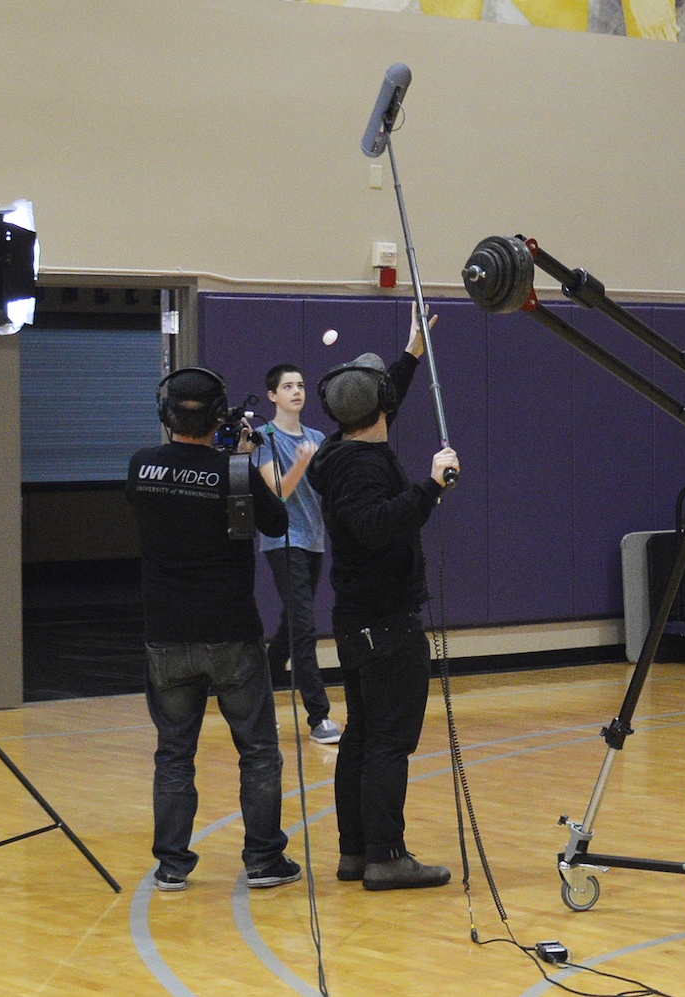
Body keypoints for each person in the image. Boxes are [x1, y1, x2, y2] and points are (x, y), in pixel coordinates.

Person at [126, 366, 301, 892]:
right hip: (231, 632)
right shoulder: (236, 472)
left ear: (167, 413)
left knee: (174, 752)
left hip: (166, 633)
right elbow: (277, 523)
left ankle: (173, 866)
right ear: (221, 415)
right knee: (258, 751)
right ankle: (264, 861)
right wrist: (245, 461)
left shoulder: (141, 467)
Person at [307, 303, 460, 891]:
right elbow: (376, 525)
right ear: (382, 411)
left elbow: (382, 393)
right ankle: (387, 856)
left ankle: (355, 853)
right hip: (386, 627)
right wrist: (431, 488)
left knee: (364, 739)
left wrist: (413, 352)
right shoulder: (365, 466)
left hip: (357, 624)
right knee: (387, 743)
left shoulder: (337, 451)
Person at [253, 363, 342, 745]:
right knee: (304, 628)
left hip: (314, 541)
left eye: (300, 385)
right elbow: (278, 493)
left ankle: (257, 706)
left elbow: (327, 488)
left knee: (290, 628)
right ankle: (318, 717)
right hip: (283, 543)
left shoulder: (317, 436)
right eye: (287, 386)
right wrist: (302, 462)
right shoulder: (263, 438)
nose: (296, 391)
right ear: (272, 396)